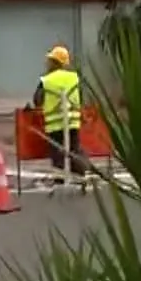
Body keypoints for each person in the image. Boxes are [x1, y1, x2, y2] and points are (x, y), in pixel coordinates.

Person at [31, 45, 86, 182]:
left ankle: (60, 179)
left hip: (55, 123)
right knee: (74, 149)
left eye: (50, 60)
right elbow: (80, 97)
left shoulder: (47, 80)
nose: (47, 63)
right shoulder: (74, 78)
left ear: (55, 62)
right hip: (73, 121)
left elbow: (37, 100)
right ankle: (80, 174)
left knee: (57, 152)